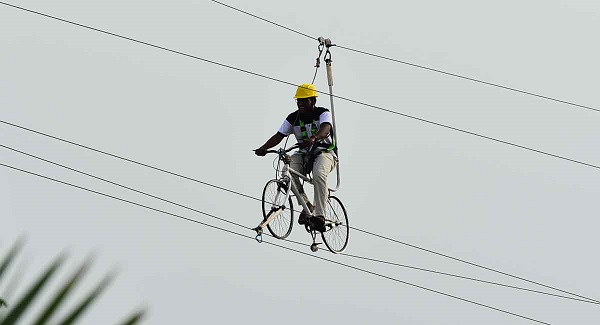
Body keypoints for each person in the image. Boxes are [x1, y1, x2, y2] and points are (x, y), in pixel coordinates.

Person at [254, 83, 337, 232]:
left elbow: (326, 129)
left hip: (325, 153)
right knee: (289, 172)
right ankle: (307, 206)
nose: (300, 104)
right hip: (304, 154)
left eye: (304, 100)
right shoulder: (293, 118)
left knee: (319, 174)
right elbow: (279, 135)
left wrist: (315, 137)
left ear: (313, 101)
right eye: (298, 101)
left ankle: (320, 215)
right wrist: (264, 148)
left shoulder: (323, 113)